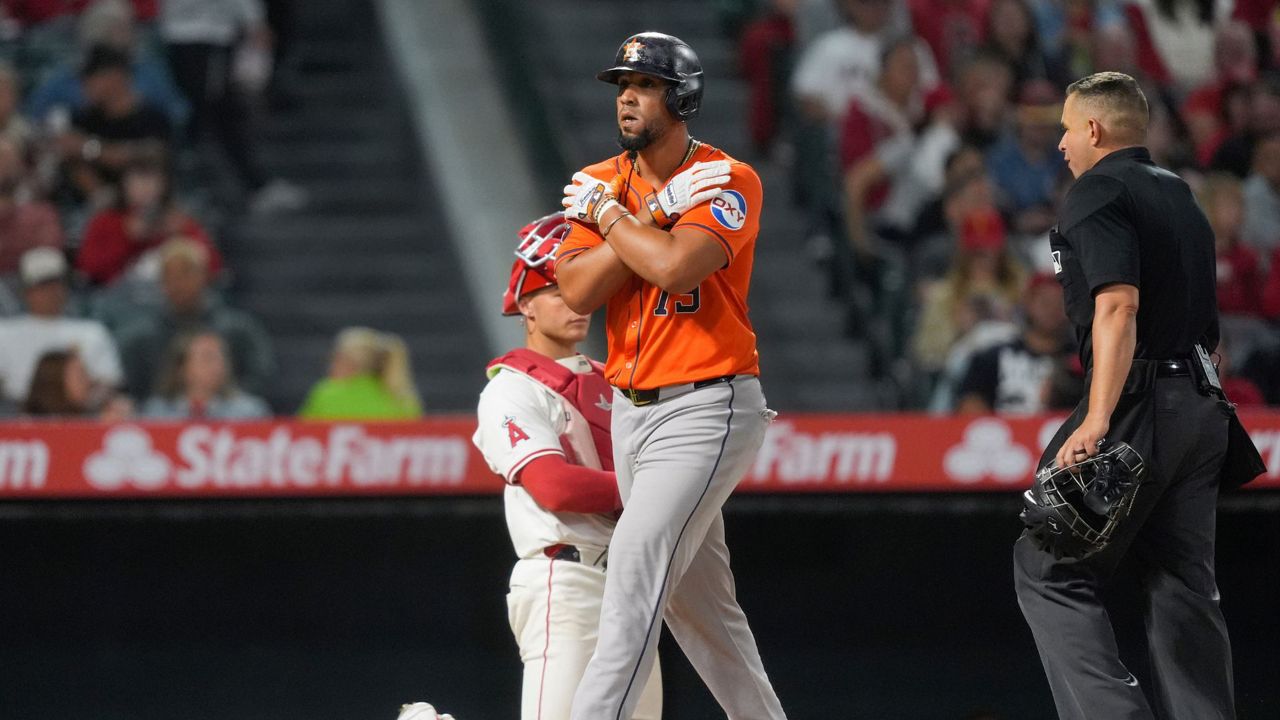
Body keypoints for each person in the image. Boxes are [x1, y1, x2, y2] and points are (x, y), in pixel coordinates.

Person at [1014, 71, 1265, 720]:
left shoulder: (1097, 189)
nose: (1063, 143)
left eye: (1068, 129)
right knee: (1183, 585)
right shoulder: (1181, 194)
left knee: (1050, 567)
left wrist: (1097, 417)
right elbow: (1216, 339)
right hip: (1203, 409)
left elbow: (1118, 304)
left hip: (1139, 400)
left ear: (1094, 129)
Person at [554, 32, 787, 720]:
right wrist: (646, 214)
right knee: (703, 615)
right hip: (632, 410)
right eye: (622, 85)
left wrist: (620, 224)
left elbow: (675, 267)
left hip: (707, 404)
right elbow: (575, 289)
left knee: (632, 578)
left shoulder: (727, 177)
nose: (627, 96)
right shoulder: (603, 182)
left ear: (682, 95)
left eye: (646, 84)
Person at [471, 214, 661, 720]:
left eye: (579, 288)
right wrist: (654, 491)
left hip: (631, 585)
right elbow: (552, 486)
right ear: (526, 307)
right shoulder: (510, 388)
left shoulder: (617, 383)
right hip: (566, 576)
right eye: (556, 291)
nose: (575, 301)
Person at [115, 237, 271, 397]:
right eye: (170, 276)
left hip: (229, 415)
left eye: (186, 273)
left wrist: (227, 400)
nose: (179, 283)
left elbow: (260, 376)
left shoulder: (238, 330)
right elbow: (129, 388)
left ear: (204, 276)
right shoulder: (141, 338)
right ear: (161, 282)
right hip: (159, 417)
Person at [76, 151, 221, 286]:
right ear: (123, 183)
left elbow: (212, 268)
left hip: (168, 300)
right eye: (138, 179)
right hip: (116, 300)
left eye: (152, 179)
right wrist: (127, 237)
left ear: (164, 184)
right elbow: (89, 269)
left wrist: (179, 235)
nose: (146, 187)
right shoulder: (106, 221)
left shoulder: (177, 222)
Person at [0, 247, 123, 403]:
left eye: (57, 284)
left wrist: (86, 403)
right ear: (26, 291)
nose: (52, 292)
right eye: (42, 286)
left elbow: (109, 381)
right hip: (16, 414)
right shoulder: (4, 332)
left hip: (76, 416)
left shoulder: (91, 331)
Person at [956, 272, 1071, 414]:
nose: (1052, 310)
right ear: (1028, 303)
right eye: (1045, 302)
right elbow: (969, 406)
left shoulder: (1081, 361)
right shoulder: (991, 358)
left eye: (1061, 303)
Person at [141, 329, 271, 419]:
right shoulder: (156, 413)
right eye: (207, 358)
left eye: (221, 358)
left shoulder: (250, 413)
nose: (218, 365)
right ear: (181, 368)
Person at [298, 326, 422, 420]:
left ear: (349, 363)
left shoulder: (326, 393)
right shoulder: (403, 398)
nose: (330, 365)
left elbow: (300, 434)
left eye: (335, 359)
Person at [23, 348, 132, 420]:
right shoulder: (24, 425)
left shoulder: (95, 417)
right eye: (80, 376)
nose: (89, 381)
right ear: (55, 382)